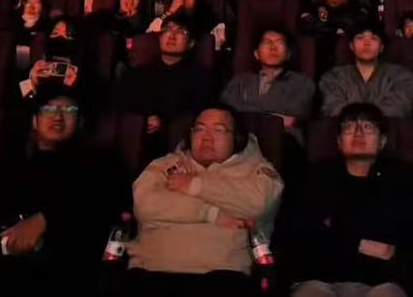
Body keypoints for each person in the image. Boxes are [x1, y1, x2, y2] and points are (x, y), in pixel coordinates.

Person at [0, 84, 128, 292]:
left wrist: (46, 220)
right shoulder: (13, 165)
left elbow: (104, 203)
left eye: (68, 110)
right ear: (34, 121)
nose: (57, 117)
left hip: (58, 268)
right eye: (48, 109)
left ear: (80, 122)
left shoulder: (99, 162)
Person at [127, 105, 284, 293]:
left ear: (236, 138)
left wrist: (193, 186)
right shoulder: (163, 165)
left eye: (219, 130)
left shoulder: (255, 170)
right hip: (150, 270)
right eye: (200, 129)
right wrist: (211, 213)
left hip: (221, 277)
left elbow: (256, 204)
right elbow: (145, 205)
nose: (207, 138)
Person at [287, 104, 413, 297]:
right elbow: (298, 236)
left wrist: (335, 228)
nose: (358, 133)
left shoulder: (408, 180)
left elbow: (410, 240)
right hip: (319, 280)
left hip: (385, 283)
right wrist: (361, 244)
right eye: (349, 128)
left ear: (382, 141)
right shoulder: (313, 178)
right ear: (339, 141)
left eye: (368, 127)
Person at [115, 19, 217, 146]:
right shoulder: (138, 73)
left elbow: (200, 109)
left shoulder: (199, 75)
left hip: (176, 139)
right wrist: (147, 116)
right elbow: (121, 101)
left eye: (180, 31)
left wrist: (163, 120)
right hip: (138, 135)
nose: (172, 36)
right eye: (167, 30)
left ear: (190, 43)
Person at [221, 30, 316, 133]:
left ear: (288, 54)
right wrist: (274, 116)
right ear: (256, 54)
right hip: (242, 136)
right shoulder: (240, 81)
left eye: (279, 42)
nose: (273, 47)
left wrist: (247, 114)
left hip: (283, 137)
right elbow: (226, 111)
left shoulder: (302, 83)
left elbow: (295, 117)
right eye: (267, 42)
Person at [318, 24, 413, 118]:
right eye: (360, 37)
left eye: (373, 38)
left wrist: (358, 117)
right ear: (351, 46)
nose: (366, 43)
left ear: (381, 47)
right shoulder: (333, 77)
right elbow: (332, 109)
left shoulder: (401, 76)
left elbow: (399, 108)